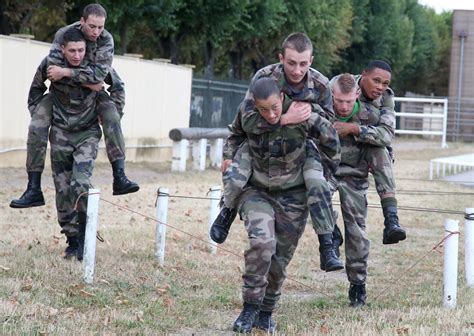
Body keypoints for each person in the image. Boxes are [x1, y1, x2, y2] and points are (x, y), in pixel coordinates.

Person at [210, 33, 341, 271]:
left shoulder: (321, 85)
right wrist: (284, 118)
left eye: (303, 64)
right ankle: (226, 211)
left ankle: (327, 244)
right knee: (237, 172)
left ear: (311, 60)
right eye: (291, 63)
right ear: (281, 58)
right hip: (262, 144)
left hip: (300, 147)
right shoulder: (264, 77)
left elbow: (330, 125)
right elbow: (246, 120)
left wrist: (309, 111)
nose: (297, 70)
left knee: (318, 182)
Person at [230, 77, 340, 333]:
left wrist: (321, 174)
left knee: (280, 258)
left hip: (294, 196)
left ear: (282, 97)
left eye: (274, 107)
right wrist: (229, 160)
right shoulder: (250, 117)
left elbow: (332, 142)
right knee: (262, 244)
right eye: (263, 110)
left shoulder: (304, 115)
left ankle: (266, 311)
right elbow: (235, 134)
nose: (270, 114)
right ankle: (249, 307)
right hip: (257, 192)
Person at [10, 3, 138, 209]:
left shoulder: (105, 41)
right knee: (36, 126)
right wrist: (43, 114)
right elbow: (51, 72)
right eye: (92, 27)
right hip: (58, 99)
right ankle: (33, 188)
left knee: (112, 114)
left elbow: (104, 79)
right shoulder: (63, 35)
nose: (97, 32)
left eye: (100, 27)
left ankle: (120, 175)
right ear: (82, 22)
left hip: (91, 104)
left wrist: (68, 73)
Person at [28, 27, 124, 260]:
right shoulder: (49, 64)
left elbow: (118, 87)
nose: (77, 55)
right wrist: (41, 113)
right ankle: (72, 240)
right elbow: (35, 90)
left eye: (81, 50)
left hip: (87, 134)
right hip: (61, 133)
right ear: (63, 49)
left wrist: (113, 113)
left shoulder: (96, 66)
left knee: (80, 183)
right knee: (62, 189)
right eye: (72, 50)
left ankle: (85, 236)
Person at [329, 66, 403, 307]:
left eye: (385, 82)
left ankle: (358, 286)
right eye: (376, 81)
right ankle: (330, 232)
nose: (380, 86)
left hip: (357, 170)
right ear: (363, 77)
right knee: (311, 195)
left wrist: (354, 129)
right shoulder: (339, 86)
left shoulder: (386, 99)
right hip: (328, 164)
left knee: (357, 230)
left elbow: (386, 135)